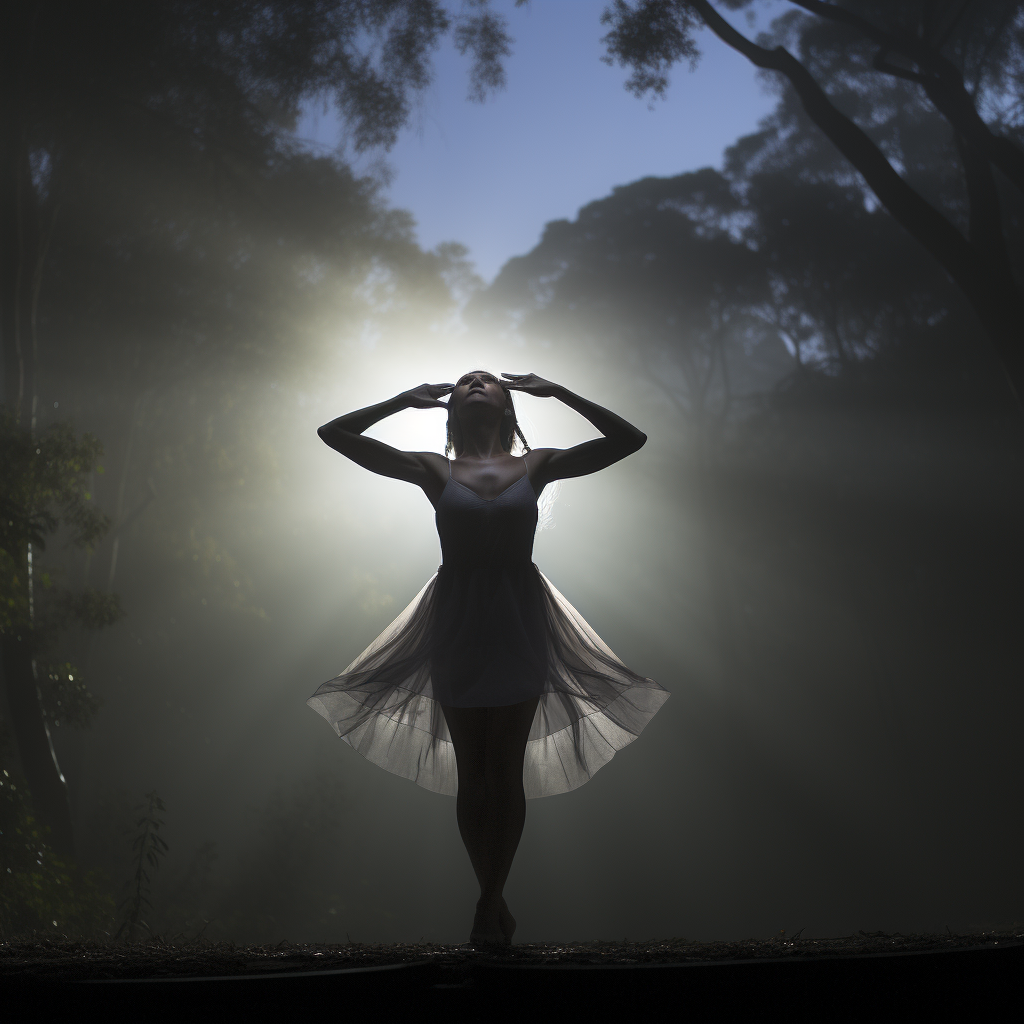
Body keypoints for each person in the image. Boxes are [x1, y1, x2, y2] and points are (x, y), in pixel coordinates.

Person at [308, 370, 670, 948]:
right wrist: (403, 400)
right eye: (464, 382)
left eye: (486, 380)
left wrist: (560, 392)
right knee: (474, 772)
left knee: (504, 768)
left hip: (520, 618)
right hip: (454, 619)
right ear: (451, 406)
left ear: (508, 404)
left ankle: (488, 901)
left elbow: (630, 440)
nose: (475, 382)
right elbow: (335, 433)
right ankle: (491, 898)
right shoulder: (434, 468)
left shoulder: (538, 464)